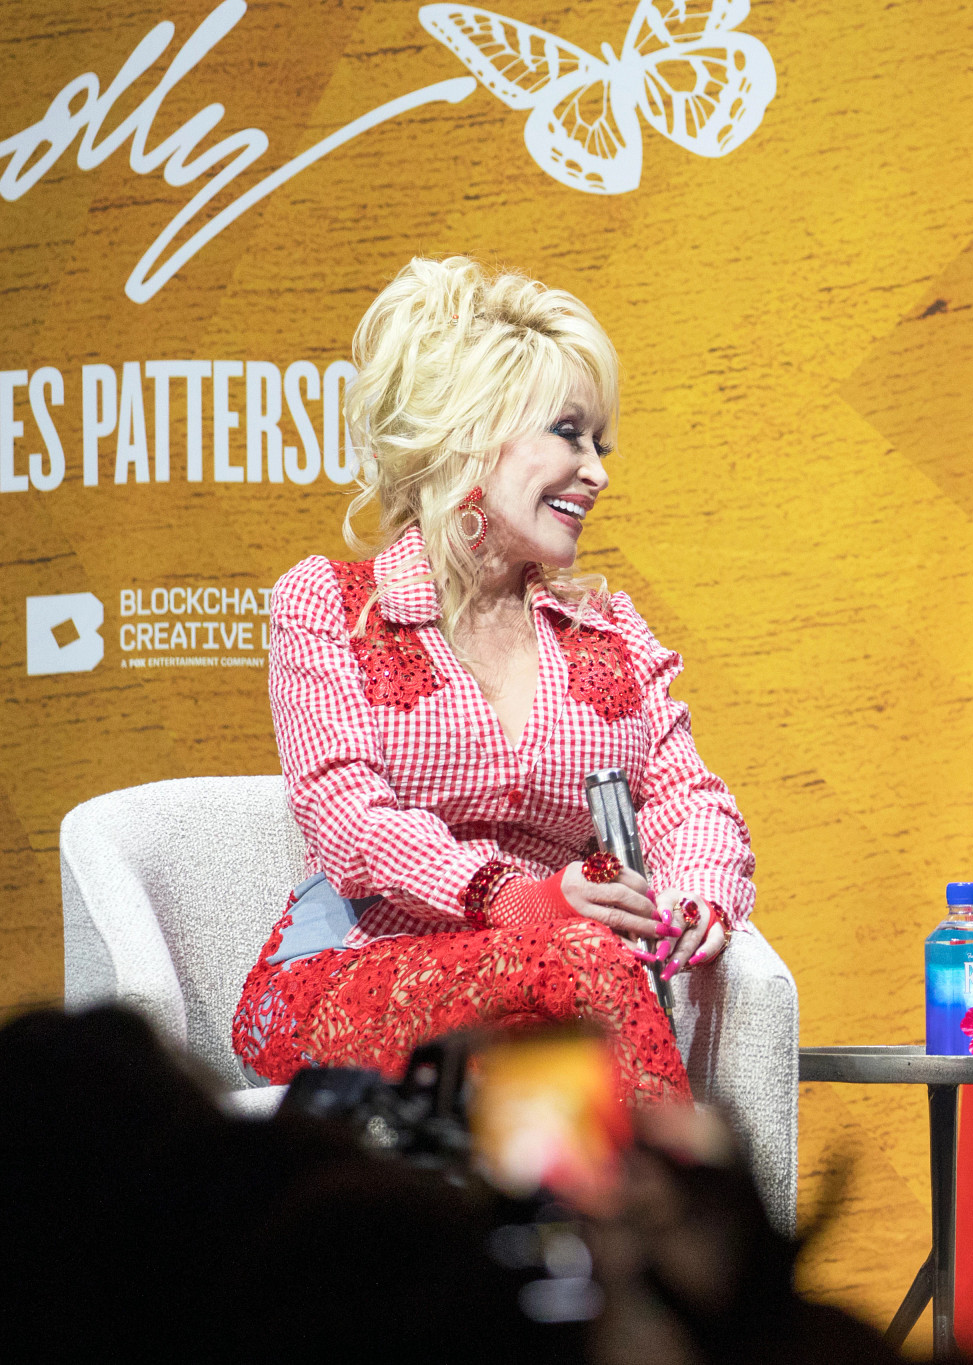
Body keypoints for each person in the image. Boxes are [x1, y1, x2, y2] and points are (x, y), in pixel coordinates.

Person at [231, 256, 755, 1107]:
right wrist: (519, 898)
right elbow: (345, 820)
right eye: (569, 433)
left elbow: (688, 799)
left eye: (600, 444)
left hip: (561, 998)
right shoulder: (333, 605)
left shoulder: (608, 632)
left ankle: (551, 1236)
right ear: (473, 431)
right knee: (582, 973)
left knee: (569, 1017)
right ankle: (677, 1234)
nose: (597, 470)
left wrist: (696, 897)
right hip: (352, 973)